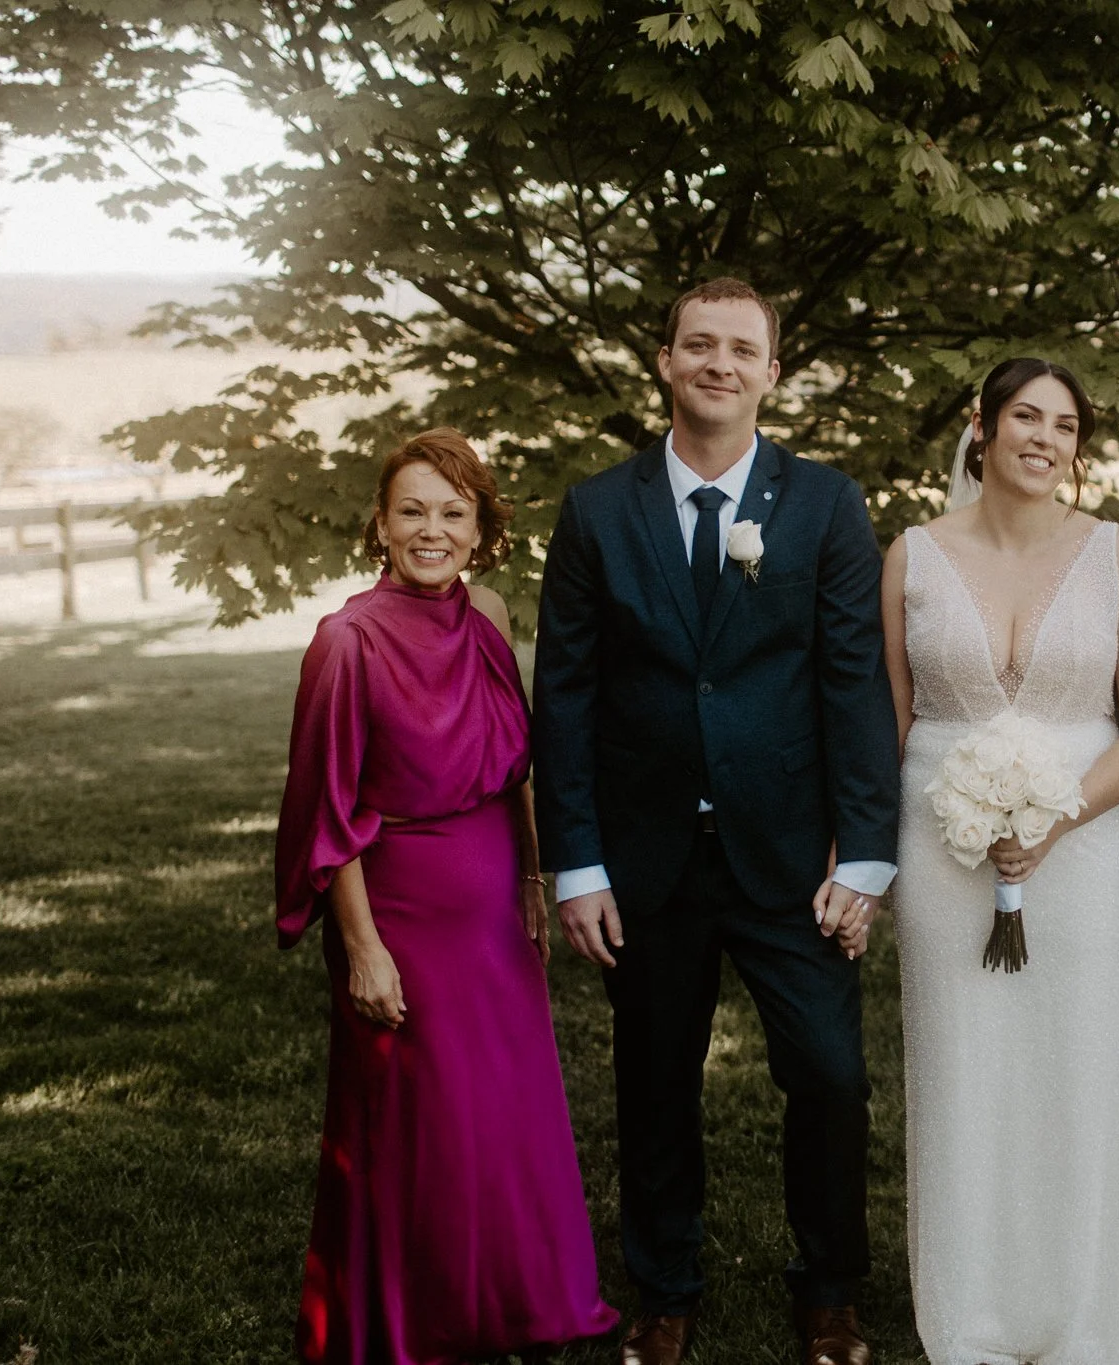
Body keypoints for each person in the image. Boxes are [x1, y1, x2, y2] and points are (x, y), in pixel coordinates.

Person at [531, 278, 900, 1365]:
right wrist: (576, 866)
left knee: (830, 1076)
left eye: (742, 349)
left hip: (790, 858)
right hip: (645, 860)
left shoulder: (825, 504)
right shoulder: (597, 509)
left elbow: (853, 684)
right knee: (651, 1084)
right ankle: (664, 1287)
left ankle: (829, 1288)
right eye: (699, 344)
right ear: (664, 360)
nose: (719, 365)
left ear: (771, 374)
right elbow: (566, 696)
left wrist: (866, 852)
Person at [882, 357, 1119, 1365]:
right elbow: (890, 721)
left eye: (1065, 425)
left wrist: (1057, 815)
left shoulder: (1112, 555)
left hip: (1082, 848)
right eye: (1024, 417)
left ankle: (1088, 1308)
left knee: (1079, 1061)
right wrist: (858, 856)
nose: (1043, 438)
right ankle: (975, 1311)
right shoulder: (911, 555)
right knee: (963, 1070)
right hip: (941, 846)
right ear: (979, 429)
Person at [274, 428, 618, 1365]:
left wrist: (536, 877)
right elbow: (332, 814)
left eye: (453, 513)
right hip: (405, 916)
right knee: (419, 1131)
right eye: (413, 510)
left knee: (506, 1121)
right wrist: (362, 947)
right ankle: (413, 1323)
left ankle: (517, 1305)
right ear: (380, 524)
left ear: (483, 529)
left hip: (499, 914)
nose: (433, 530)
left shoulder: (493, 614)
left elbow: (517, 773)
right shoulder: (346, 640)